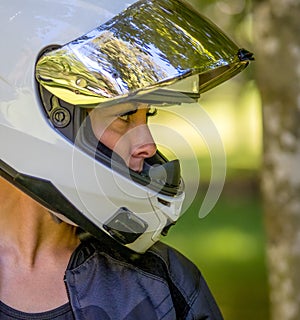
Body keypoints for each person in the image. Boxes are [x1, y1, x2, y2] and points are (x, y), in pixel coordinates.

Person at [0, 0, 253, 318]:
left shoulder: (164, 286)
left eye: (149, 116)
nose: (148, 145)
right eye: (124, 116)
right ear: (51, 115)